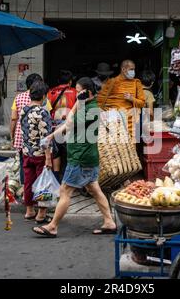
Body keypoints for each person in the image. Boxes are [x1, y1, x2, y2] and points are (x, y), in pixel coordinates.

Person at [33, 77, 117, 238]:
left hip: (80, 157)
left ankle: (52, 226)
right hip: (86, 157)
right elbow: (66, 125)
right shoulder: (85, 106)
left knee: (65, 190)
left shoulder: (91, 110)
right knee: (94, 188)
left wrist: (77, 105)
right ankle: (109, 222)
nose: (77, 95)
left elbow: (70, 121)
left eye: (79, 92)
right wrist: (50, 137)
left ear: (88, 92)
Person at [20, 81, 54, 223]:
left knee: (28, 182)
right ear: (44, 96)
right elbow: (45, 139)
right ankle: (41, 214)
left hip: (27, 153)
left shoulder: (24, 110)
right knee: (43, 184)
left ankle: (29, 211)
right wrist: (48, 158)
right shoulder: (42, 112)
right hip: (40, 155)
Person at [11, 74, 52, 189]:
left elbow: (14, 119)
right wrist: (48, 157)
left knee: (27, 176)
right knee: (41, 179)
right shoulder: (42, 109)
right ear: (43, 95)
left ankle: (27, 199)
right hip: (40, 151)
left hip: (25, 146)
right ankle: (41, 203)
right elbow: (45, 136)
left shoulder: (21, 104)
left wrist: (12, 135)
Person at [97, 59, 145, 137]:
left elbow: (142, 103)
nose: (133, 72)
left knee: (130, 148)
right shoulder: (112, 82)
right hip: (114, 125)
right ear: (123, 69)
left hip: (130, 126)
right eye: (131, 69)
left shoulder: (136, 83)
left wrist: (132, 99)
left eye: (134, 69)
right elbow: (100, 103)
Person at [47, 70, 78, 181]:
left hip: (55, 127)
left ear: (58, 81)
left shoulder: (51, 93)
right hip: (69, 126)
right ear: (70, 82)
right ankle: (68, 179)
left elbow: (47, 111)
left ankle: (56, 179)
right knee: (69, 153)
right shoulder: (75, 92)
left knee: (56, 153)